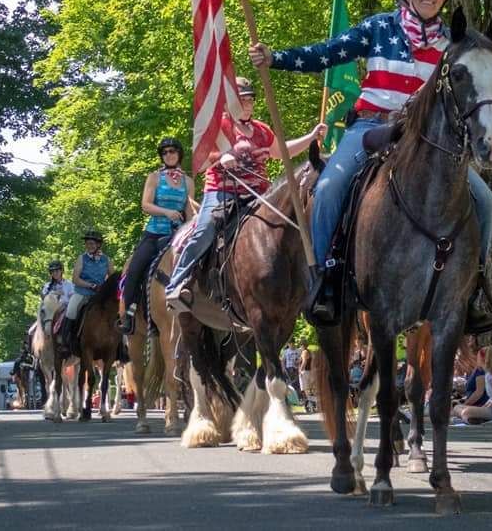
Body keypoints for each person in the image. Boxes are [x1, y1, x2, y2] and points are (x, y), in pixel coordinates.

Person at [248, 0, 492, 331]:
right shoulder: (379, 28)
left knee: (486, 202)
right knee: (330, 187)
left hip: (426, 141)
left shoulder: (454, 43)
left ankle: (473, 286)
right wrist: (275, 57)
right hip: (369, 129)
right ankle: (325, 279)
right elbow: (327, 54)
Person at [163, 77, 325, 308]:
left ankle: (312, 286)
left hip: (259, 193)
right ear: (230, 103)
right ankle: (177, 283)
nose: (248, 104)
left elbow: (281, 151)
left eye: (250, 100)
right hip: (222, 191)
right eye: (243, 100)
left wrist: (310, 137)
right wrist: (221, 157)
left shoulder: (262, 130)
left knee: (295, 223)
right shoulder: (218, 127)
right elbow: (199, 161)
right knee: (207, 227)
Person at [119, 138, 196, 335]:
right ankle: (129, 313)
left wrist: (192, 226)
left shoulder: (188, 182)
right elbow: (145, 205)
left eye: (172, 151)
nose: (169, 155)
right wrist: (166, 212)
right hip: (154, 233)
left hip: (178, 235)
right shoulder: (154, 177)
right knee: (135, 269)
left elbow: (189, 211)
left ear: (179, 154)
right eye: (165, 152)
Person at [63, 231, 113, 354]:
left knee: (116, 312)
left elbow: (112, 278)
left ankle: (121, 347)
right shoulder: (82, 258)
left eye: (92, 243)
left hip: (100, 295)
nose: (89, 246)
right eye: (87, 243)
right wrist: (91, 285)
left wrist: (106, 288)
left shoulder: (106, 260)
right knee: (71, 310)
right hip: (82, 293)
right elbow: (75, 279)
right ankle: (66, 342)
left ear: (98, 245)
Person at [454, 346, 492, 423]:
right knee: (457, 407)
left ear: (483, 359)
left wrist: (486, 409)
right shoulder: (490, 374)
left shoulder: (491, 376)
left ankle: (468, 419)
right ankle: (474, 418)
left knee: (466, 412)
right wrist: (483, 408)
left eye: (478, 357)